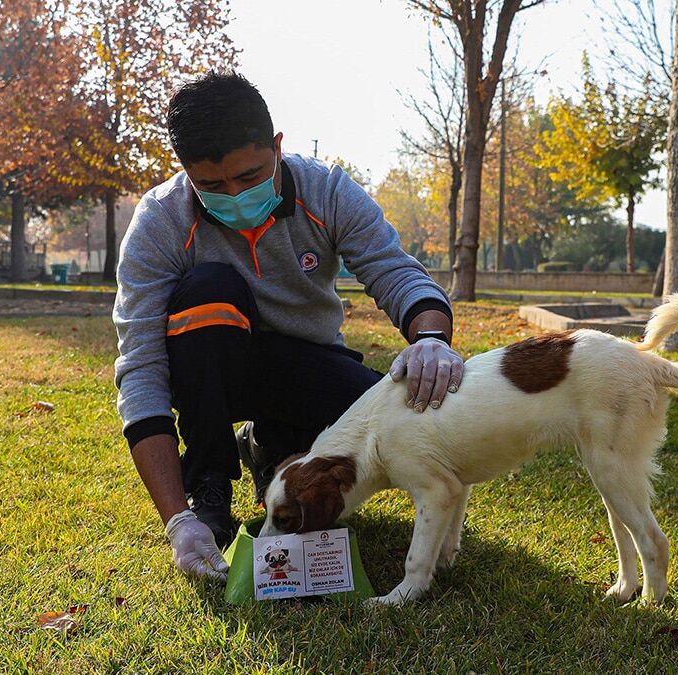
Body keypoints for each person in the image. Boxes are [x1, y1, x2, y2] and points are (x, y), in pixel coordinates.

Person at [112, 71, 464, 581]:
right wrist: (176, 521)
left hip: (308, 361)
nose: (233, 196)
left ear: (277, 148)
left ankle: (273, 445)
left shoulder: (326, 190)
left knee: (392, 425)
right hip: (213, 368)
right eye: (211, 185)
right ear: (186, 172)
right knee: (207, 290)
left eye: (250, 176)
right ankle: (208, 482)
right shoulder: (160, 220)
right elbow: (141, 365)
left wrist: (430, 338)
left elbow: (394, 271)